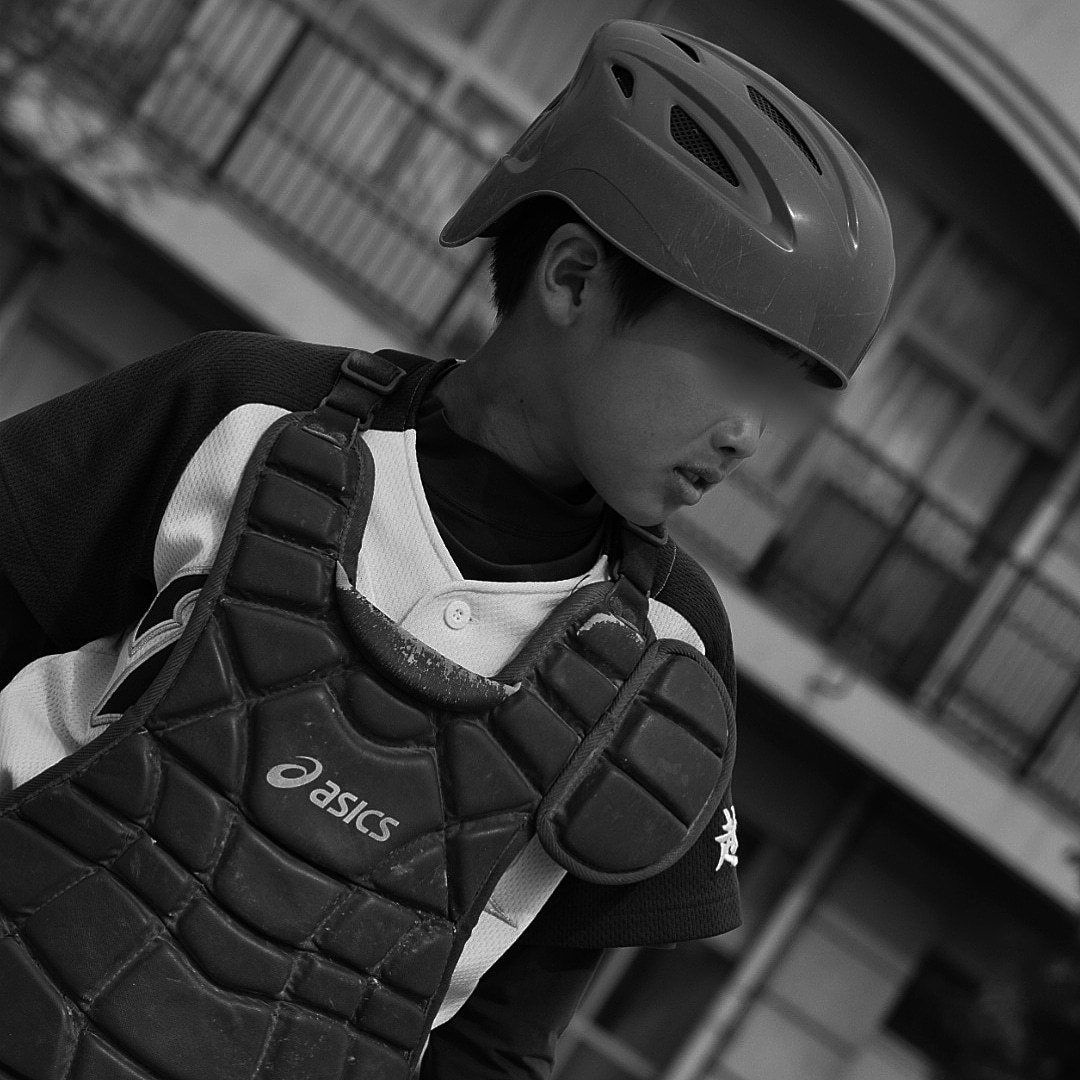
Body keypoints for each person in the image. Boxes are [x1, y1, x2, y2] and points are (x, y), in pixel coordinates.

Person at [0, 18, 893, 1080]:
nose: (752, 436)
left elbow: (500, 1043)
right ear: (573, 278)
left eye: (787, 399)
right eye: (739, 366)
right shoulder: (242, 411)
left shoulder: (671, 655)